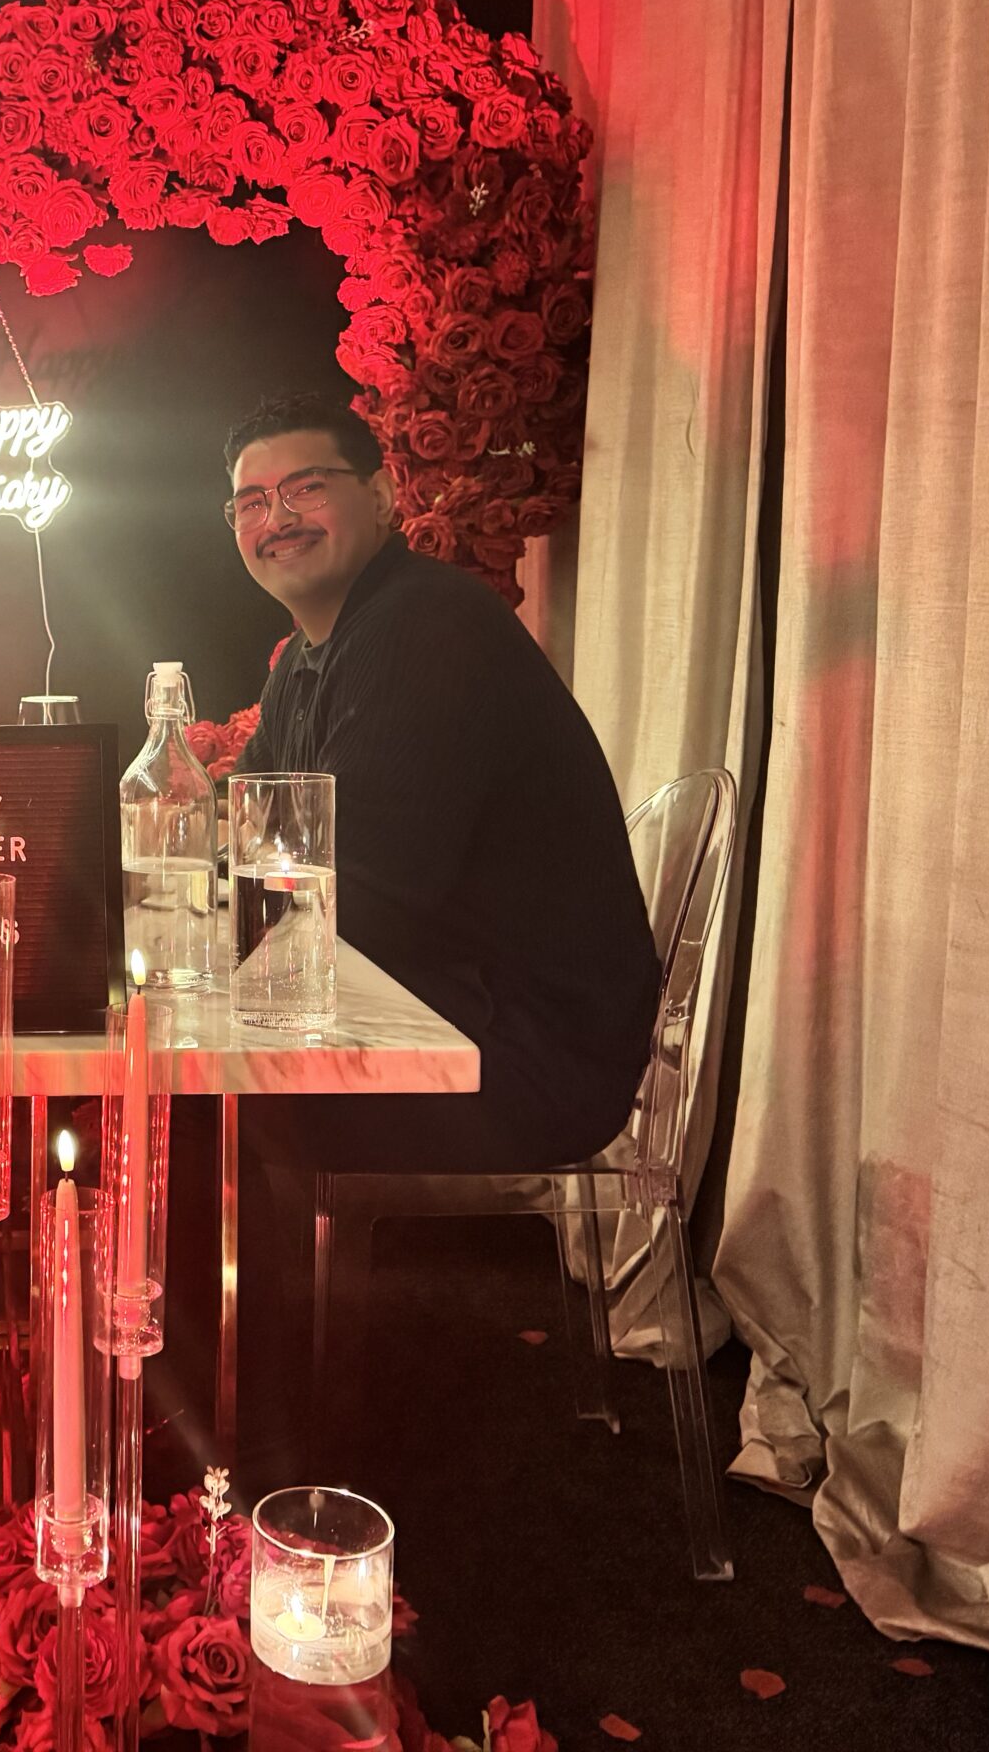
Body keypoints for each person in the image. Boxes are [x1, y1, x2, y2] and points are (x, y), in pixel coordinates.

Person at [209, 390, 660, 1480]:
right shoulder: (312, 656)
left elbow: (358, 893)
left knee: (208, 1106)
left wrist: (205, 909)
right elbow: (249, 834)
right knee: (195, 1082)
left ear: (380, 495)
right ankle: (235, 1408)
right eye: (251, 501)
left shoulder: (424, 628)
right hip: (445, 1006)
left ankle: (258, 1455)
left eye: (305, 486)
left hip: (526, 1051)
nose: (277, 516)